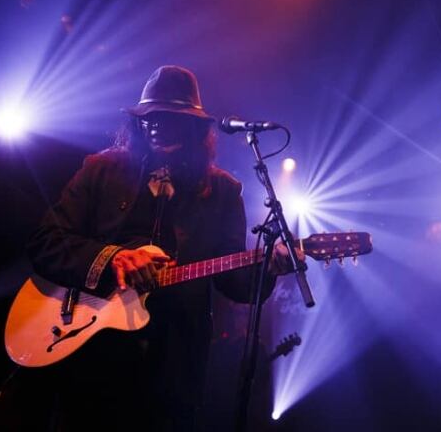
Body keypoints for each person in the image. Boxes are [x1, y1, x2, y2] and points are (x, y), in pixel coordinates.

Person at [25, 65, 299, 431]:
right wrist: (113, 258)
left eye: (169, 117)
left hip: (171, 366)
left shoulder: (222, 192)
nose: (155, 125)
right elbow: (46, 243)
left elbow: (234, 283)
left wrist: (268, 267)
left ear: (195, 127)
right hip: (92, 357)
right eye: (149, 117)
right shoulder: (101, 170)